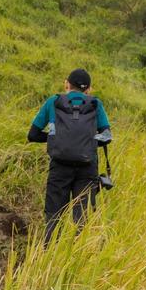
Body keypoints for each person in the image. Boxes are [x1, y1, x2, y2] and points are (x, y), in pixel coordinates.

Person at [28, 68, 112, 243]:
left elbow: (33, 135)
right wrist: (85, 142)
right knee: (81, 218)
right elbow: (106, 137)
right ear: (89, 89)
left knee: (54, 215)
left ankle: (49, 255)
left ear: (66, 84)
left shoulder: (54, 101)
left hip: (59, 167)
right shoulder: (96, 104)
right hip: (87, 168)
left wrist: (57, 139)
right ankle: (80, 258)